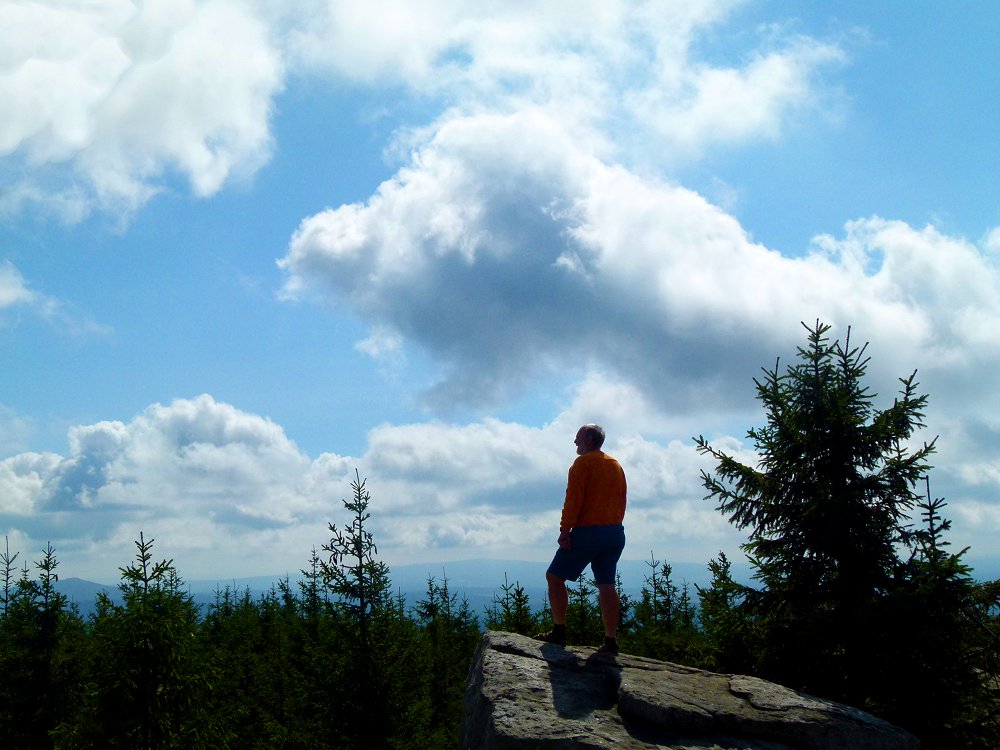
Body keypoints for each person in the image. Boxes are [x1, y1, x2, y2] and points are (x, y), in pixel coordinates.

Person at [536, 423, 627, 655]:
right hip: (615, 532)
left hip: (589, 531)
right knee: (606, 585)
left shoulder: (582, 463)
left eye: (578, 437)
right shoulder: (615, 464)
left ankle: (559, 632)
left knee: (554, 577)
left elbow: (573, 499)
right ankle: (610, 641)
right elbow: (621, 498)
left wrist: (565, 530)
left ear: (588, 439)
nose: (575, 442)